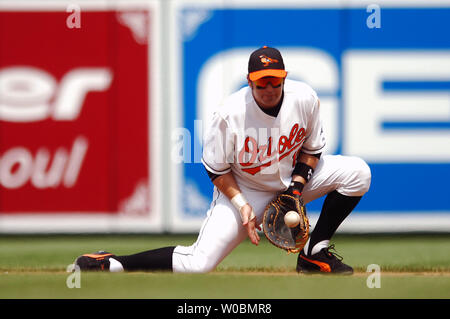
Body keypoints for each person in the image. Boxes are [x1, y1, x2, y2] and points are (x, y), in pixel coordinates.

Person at [74, 46, 371, 274]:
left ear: (284, 78)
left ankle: (313, 253)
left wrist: (296, 189)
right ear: (249, 81)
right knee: (199, 264)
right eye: (261, 83)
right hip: (246, 190)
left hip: (291, 182)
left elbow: (312, 148)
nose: (268, 89)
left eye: (274, 82)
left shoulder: (304, 99)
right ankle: (114, 263)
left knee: (358, 173)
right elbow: (216, 169)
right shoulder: (229, 114)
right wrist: (242, 206)